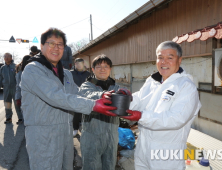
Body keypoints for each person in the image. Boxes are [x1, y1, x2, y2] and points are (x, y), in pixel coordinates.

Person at [20, 28, 116, 170]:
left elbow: (76, 94)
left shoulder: (65, 74)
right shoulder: (33, 69)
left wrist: (102, 95)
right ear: (41, 46)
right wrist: (93, 105)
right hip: (43, 137)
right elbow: (56, 97)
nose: (56, 48)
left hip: (65, 135)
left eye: (60, 44)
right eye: (51, 43)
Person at [121, 41, 201, 170]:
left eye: (170, 58)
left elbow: (176, 119)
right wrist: (123, 99)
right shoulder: (152, 81)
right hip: (143, 148)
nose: (164, 62)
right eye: (160, 57)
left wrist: (141, 116)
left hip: (166, 155)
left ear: (179, 60)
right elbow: (139, 99)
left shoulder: (186, 86)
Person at [78, 54, 139, 170]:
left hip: (111, 136)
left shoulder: (116, 88)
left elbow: (125, 109)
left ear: (110, 69)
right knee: (91, 166)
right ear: (93, 69)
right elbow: (85, 96)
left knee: (110, 166)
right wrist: (101, 95)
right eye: (99, 67)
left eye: (106, 66)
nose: (102, 69)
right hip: (92, 136)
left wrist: (127, 97)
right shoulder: (86, 85)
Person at [0, 53, 23, 124]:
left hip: (15, 88)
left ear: (11, 58)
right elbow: (1, 78)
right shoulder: (2, 68)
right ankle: (8, 118)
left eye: (8, 57)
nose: (6, 58)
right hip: (6, 88)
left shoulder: (16, 66)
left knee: (17, 104)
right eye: (5, 57)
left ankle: (20, 118)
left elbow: (19, 78)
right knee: (7, 103)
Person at [71, 58, 90, 137]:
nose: (79, 65)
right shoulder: (70, 73)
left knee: (85, 112)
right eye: (77, 63)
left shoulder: (87, 74)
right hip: (74, 95)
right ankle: (75, 129)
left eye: (81, 63)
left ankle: (85, 128)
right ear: (75, 64)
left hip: (85, 95)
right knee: (76, 113)